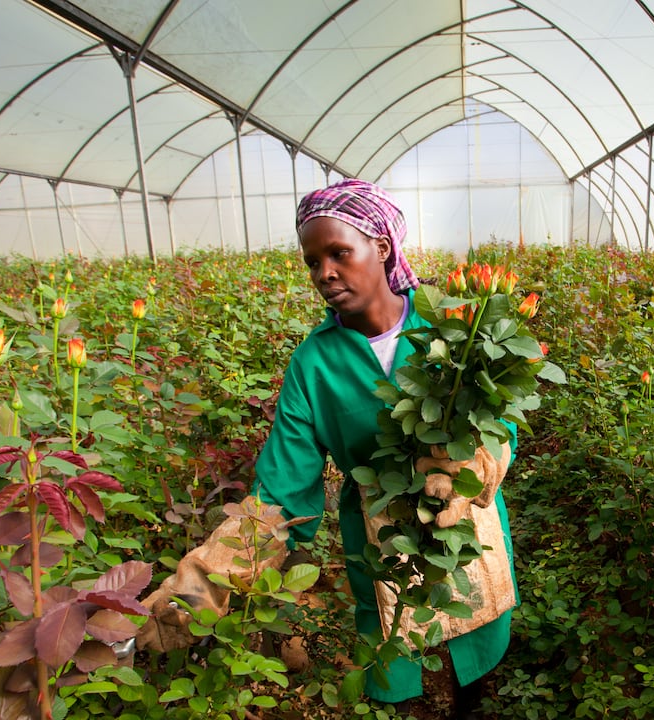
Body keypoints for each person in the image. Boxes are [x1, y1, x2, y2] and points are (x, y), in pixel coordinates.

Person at [253, 179, 517, 717]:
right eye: (312, 261)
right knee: (391, 651)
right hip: (380, 527)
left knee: (475, 633)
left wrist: (476, 463)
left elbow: (500, 423)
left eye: (338, 253)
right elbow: (285, 481)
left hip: (461, 514)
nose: (324, 273)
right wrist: (234, 561)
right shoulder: (313, 363)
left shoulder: (454, 324)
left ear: (382, 246)